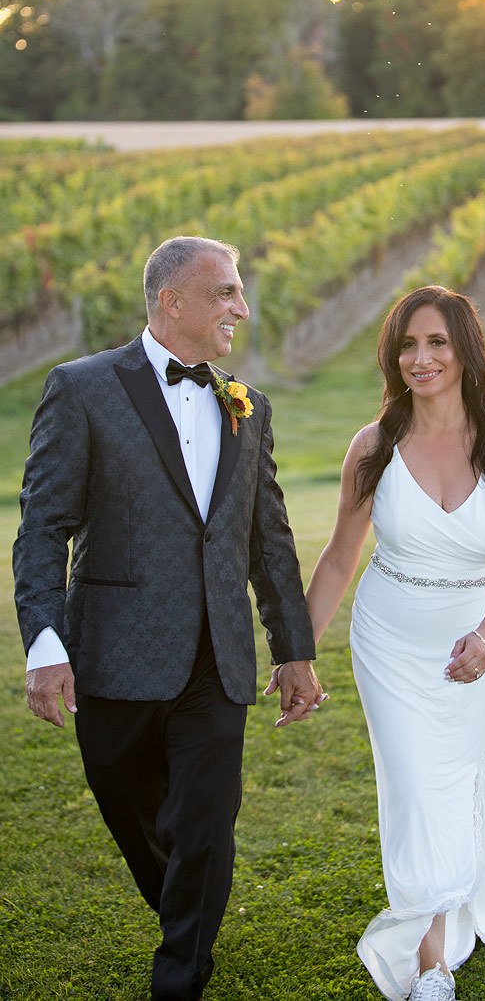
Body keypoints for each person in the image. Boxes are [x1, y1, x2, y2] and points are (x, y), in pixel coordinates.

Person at [13, 235, 324, 1001]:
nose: (241, 309)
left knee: (207, 820)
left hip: (219, 659)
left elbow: (268, 537)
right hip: (114, 652)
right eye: (225, 293)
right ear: (170, 301)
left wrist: (293, 649)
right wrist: (45, 645)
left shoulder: (248, 406)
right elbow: (43, 525)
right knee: (131, 806)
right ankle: (186, 906)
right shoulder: (80, 388)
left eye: (240, 292)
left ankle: (180, 973)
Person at [304, 285, 485, 1001]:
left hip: (483, 637)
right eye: (406, 344)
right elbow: (341, 557)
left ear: (465, 351)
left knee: (465, 782)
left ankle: (452, 913)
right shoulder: (372, 446)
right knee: (414, 786)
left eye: (436, 342)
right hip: (392, 641)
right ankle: (431, 965)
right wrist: (297, 652)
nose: (419, 357)